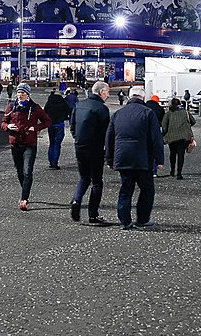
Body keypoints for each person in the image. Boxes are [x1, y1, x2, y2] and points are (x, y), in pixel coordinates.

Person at [107, 86, 164, 230]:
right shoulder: (148, 113)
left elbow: (109, 138)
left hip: (123, 157)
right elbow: (156, 139)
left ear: (129, 97)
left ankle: (125, 221)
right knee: (147, 189)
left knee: (126, 189)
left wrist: (109, 159)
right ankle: (142, 219)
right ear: (143, 98)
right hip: (142, 158)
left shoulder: (118, 114)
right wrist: (159, 159)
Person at [0, 83, 52, 211]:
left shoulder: (34, 108)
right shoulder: (11, 107)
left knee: (27, 171)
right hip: (15, 143)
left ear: (28, 94)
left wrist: (36, 127)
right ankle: (25, 188)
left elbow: (48, 121)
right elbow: (3, 121)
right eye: (18, 92)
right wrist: (7, 127)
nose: (20, 95)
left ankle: (24, 198)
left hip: (30, 143)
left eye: (23, 92)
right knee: (19, 171)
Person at [70, 81, 111, 224]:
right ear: (101, 92)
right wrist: (107, 151)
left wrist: (78, 139)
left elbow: (72, 126)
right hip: (95, 148)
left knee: (83, 177)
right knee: (97, 182)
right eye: (107, 92)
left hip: (79, 146)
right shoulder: (102, 109)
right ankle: (93, 215)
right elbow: (106, 133)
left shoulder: (79, 105)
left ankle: (76, 200)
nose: (108, 95)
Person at [161, 97, 196, 180]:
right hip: (184, 137)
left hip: (171, 136)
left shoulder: (168, 114)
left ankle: (172, 171)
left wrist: (164, 134)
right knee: (181, 155)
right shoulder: (185, 112)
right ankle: (179, 173)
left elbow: (164, 127)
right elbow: (193, 121)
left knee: (172, 154)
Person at [43, 89, 72, 168]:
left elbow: (44, 112)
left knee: (51, 143)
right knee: (57, 144)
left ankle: (51, 162)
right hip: (60, 125)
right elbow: (68, 112)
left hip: (51, 125)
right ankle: (54, 163)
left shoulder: (49, 102)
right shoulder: (63, 102)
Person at [145, 95, 166, 175]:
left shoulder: (145, 106)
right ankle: (154, 171)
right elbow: (162, 120)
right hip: (155, 129)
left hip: (145, 130)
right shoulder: (160, 109)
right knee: (154, 149)